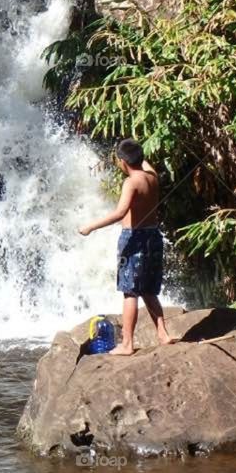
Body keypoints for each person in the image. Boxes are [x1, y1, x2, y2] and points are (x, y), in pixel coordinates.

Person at [78, 139, 173, 355]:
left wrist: (91, 227)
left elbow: (120, 213)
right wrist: (136, 152)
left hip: (134, 238)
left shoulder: (131, 183)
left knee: (130, 292)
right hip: (153, 236)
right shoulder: (152, 177)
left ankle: (127, 344)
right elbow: (145, 163)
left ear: (122, 162)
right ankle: (163, 334)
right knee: (148, 289)